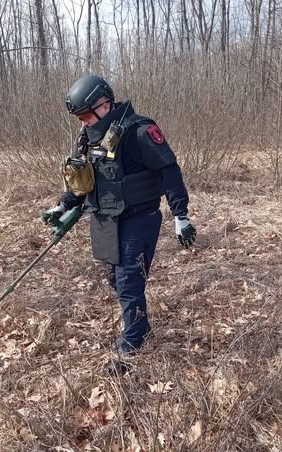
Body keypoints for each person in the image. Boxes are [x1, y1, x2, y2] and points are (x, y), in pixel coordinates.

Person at [42, 74, 196, 370]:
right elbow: (82, 180)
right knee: (115, 278)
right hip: (104, 220)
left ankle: (134, 342)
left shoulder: (140, 131)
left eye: (86, 115)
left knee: (128, 280)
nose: (84, 122)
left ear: (105, 103)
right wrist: (62, 206)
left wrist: (181, 215)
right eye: (79, 117)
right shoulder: (87, 138)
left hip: (140, 218)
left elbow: (169, 170)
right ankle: (139, 325)